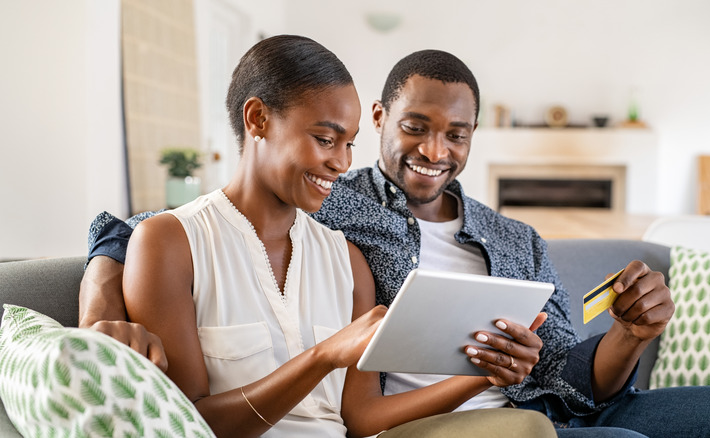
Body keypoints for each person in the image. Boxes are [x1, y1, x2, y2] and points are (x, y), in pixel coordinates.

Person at [81, 48, 710, 437]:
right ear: (383, 119)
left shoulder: (517, 239)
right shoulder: (333, 200)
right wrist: (100, 304)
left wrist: (629, 333)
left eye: (457, 134)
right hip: (445, 425)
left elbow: (569, 374)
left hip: (546, 407)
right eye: (415, 126)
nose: (435, 150)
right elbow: (137, 229)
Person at [82, 36, 555, 438]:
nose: (343, 162)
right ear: (258, 119)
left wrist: (485, 374)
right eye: (325, 139)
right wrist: (323, 357)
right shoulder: (169, 243)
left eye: (349, 144)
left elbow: (363, 417)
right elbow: (189, 424)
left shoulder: (348, 261)